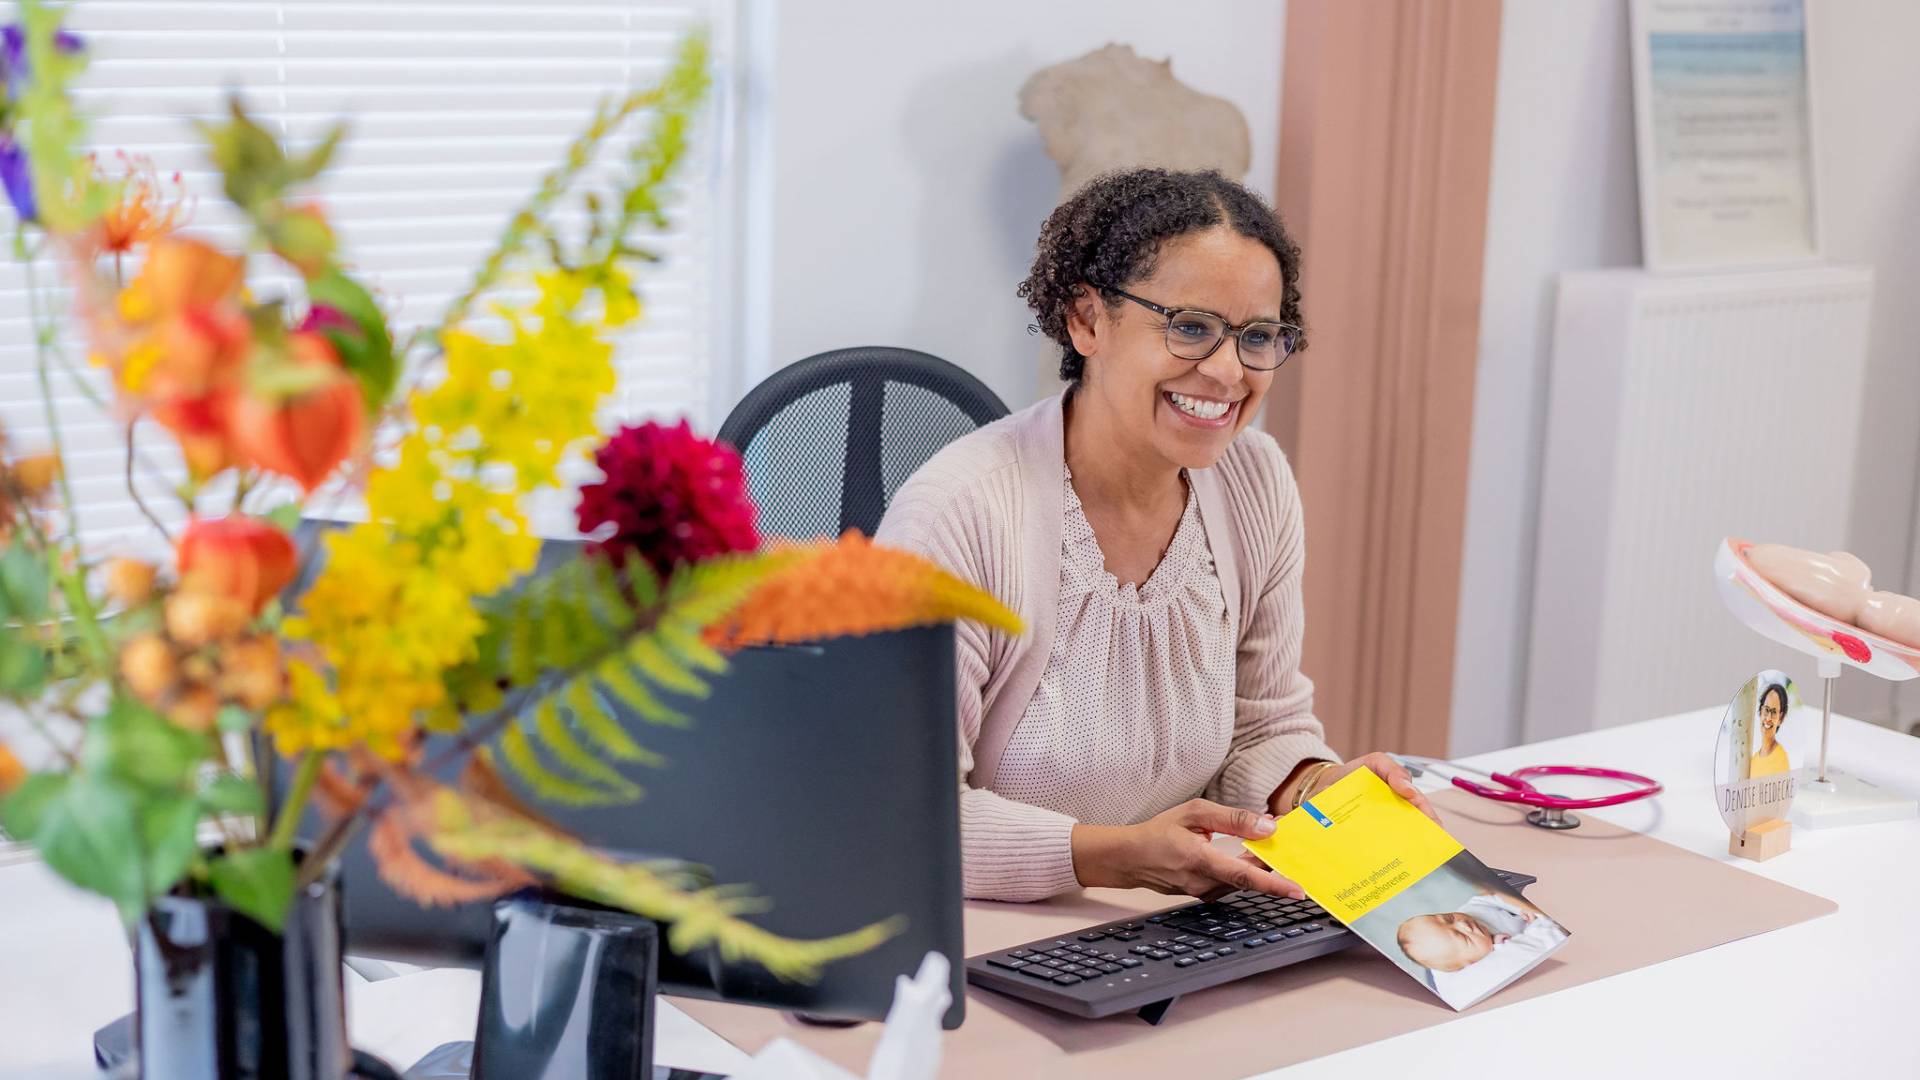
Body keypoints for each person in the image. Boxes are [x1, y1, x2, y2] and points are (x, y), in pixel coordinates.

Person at [876, 168, 1432, 903]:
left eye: (1258, 336)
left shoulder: (1253, 480)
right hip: (980, 935)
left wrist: (1317, 785)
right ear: (1086, 321)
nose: (1229, 372)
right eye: (1191, 327)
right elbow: (898, 822)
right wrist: (1112, 858)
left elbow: (1262, 731)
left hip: (1168, 926)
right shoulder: (962, 516)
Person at [1396, 888, 1568, 1006]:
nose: (1464, 924)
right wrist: (1535, 923)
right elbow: (1544, 939)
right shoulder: (1490, 961)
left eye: (1448, 918)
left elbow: (1487, 897)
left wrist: (1517, 907)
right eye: (1462, 937)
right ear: (1469, 963)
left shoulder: (1471, 911)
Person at [1749, 682, 1791, 778]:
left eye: (1774, 712)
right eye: (1766, 710)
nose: (1768, 718)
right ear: (1760, 711)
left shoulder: (1781, 759)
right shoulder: (1754, 760)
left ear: (1781, 718)